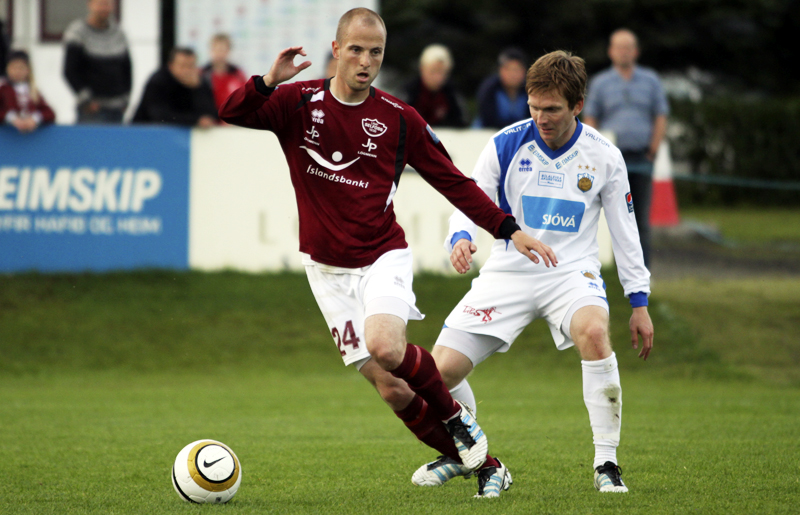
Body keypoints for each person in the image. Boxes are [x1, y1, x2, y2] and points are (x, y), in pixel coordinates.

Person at [219, 8, 557, 498]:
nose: (365, 61)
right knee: (392, 387)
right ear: (336, 50)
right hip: (325, 271)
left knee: (386, 347)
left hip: (382, 256)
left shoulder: (399, 119)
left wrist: (508, 229)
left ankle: (458, 420)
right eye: (356, 50)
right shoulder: (297, 102)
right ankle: (488, 466)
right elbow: (232, 112)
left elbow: (454, 182)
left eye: (375, 52)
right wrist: (269, 80)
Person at [410, 50, 653, 495]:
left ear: (577, 105)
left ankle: (606, 463)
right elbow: (469, 197)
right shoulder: (506, 143)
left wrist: (639, 301)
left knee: (594, 333)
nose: (541, 117)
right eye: (534, 106)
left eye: (552, 109)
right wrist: (460, 236)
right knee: (437, 375)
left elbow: (625, 233)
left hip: (571, 274)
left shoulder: (604, 156)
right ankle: (468, 453)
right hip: (508, 271)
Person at [583, 29, 669, 267]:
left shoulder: (651, 80)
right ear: (611, 51)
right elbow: (590, 118)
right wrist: (596, 152)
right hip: (610, 161)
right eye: (619, 47)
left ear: (636, 51)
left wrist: (653, 150)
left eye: (628, 47)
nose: (624, 52)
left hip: (641, 159)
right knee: (607, 217)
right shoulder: (600, 83)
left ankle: (642, 272)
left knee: (640, 219)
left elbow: (661, 115)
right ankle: (607, 268)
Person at [63, 0, 132, 123]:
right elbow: (70, 71)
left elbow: (127, 69)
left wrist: (125, 99)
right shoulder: (78, 32)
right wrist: (87, 100)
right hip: (92, 111)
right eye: (100, 4)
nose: (104, 8)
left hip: (117, 109)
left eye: (107, 4)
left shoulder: (118, 33)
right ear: (90, 5)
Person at [133, 48, 217, 127]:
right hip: (145, 131)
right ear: (171, 66)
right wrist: (195, 120)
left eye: (191, 66)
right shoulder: (158, 81)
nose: (187, 71)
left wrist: (197, 89)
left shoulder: (199, 82)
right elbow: (159, 115)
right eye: (182, 66)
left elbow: (210, 114)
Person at [400, 44, 467, 127]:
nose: (437, 77)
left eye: (442, 72)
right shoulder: (409, 91)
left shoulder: (452, 92)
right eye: (433, 71)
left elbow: (462, 122)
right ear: (422, 69)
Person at [0, 50, 56, 133]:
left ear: (28, 70)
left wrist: (34, 119)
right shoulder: (4, 90)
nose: (17, 71)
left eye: (21, 68)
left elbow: (49, 113)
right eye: (14, 68)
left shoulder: (33, 91)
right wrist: (11, 118)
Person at [474, 47, 529, 129]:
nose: (513, 74)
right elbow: (487, 119)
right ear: (500, 70)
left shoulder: (530, 91)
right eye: (508, 69)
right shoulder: (489, 89)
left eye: (517, 69)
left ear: (524, 71)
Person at [202, 33, 248, 112]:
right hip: (210, 117)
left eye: (222, 50)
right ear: (211, 50)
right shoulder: (202, 74)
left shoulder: (238, 74)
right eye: (216, 49)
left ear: (228, 50)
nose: (219, 54)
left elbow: (245, 97)